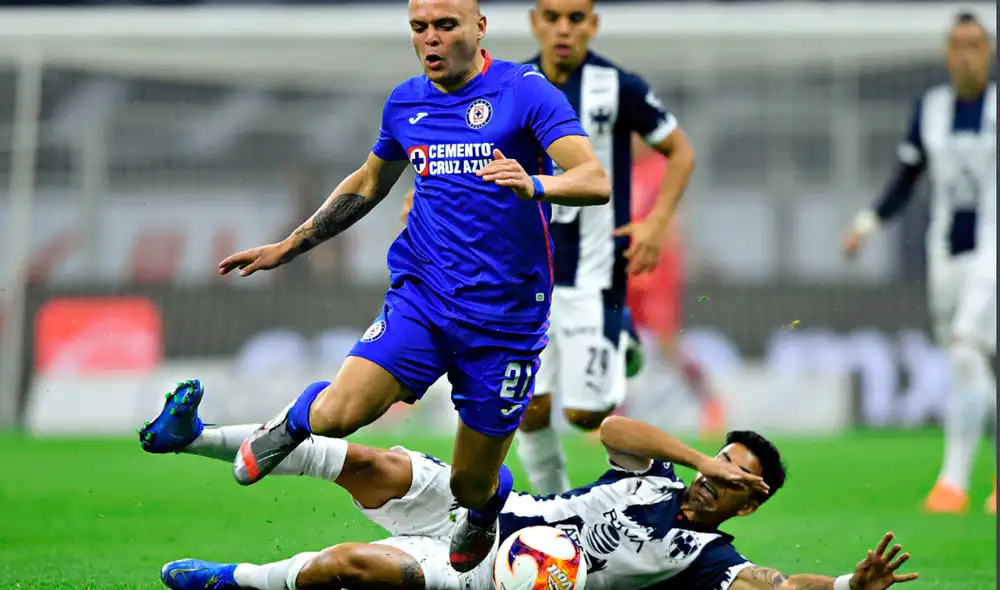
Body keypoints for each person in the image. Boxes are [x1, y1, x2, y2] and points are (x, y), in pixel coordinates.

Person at [140, 0, 611, 572]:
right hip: (425, 297)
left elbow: (593, 179)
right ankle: (287, 426)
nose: (431, 40)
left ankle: (484, 509)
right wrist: (291, 244)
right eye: (420, 28)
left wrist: (535, 182)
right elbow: (370, 182)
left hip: (507, 321)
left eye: (445, 26)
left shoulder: (526, 91)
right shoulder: (406, 102)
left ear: (479, 27)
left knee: (469, 485)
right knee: (337, 414)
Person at [147, 383, 919, 590]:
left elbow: (773, 586)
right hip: (487, 506)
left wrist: (850, 584)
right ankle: (197, 440)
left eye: (738, 474)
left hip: (491, 572)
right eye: (721, 460)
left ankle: (233, 582)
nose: (719, 473)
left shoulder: (703, 560)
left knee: (354, 566)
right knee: (370, 460)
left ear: (754, 500)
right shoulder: (656, 469)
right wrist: (700, 454)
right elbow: (612, 430)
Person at [512, 0, 698, 497]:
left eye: (576, 18)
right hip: (527, 275)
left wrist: (656, 223)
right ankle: (549, 509)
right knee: (528, 405)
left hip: (596, 273)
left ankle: (624, 337)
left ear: (593, 25)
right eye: (552, 17)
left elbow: (680, 150)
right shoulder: (509, 86)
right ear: (535, 23)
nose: (564, 28)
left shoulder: (618, 86)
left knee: (584, 414)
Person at [841, 11, 996, 516]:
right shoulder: (929, 110)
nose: (965, 54)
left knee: (968, 348)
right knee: (968, 363)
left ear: (989, 52)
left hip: (993, 251)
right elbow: (907, 177)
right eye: (956, 45)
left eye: (974, 44)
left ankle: (952, 482)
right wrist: (867, 223)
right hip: (945, 252)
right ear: (946, 53)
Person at [627, 135, 726, 438]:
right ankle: (614, 414)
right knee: (616, 340)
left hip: (656, 269)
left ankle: (710, 402)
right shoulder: (618, 169)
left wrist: (653, 266)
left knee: (668, 344)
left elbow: (671, 223)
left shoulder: (660, 169)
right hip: (625, 267)